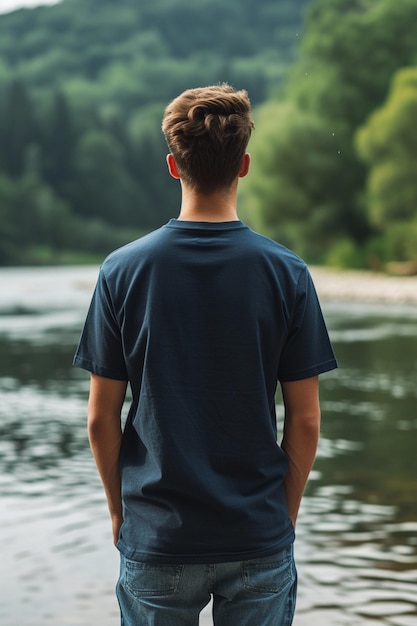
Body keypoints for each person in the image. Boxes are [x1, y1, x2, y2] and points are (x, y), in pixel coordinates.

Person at [73, 83, 337, 626]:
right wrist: (279, 518)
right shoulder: (287, 273)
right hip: (257, 534)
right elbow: (305, 422)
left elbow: (102, 418)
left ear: (173, 165)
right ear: (244, 165)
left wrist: (122, 512)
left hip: (159, 535)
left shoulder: (121, 271)